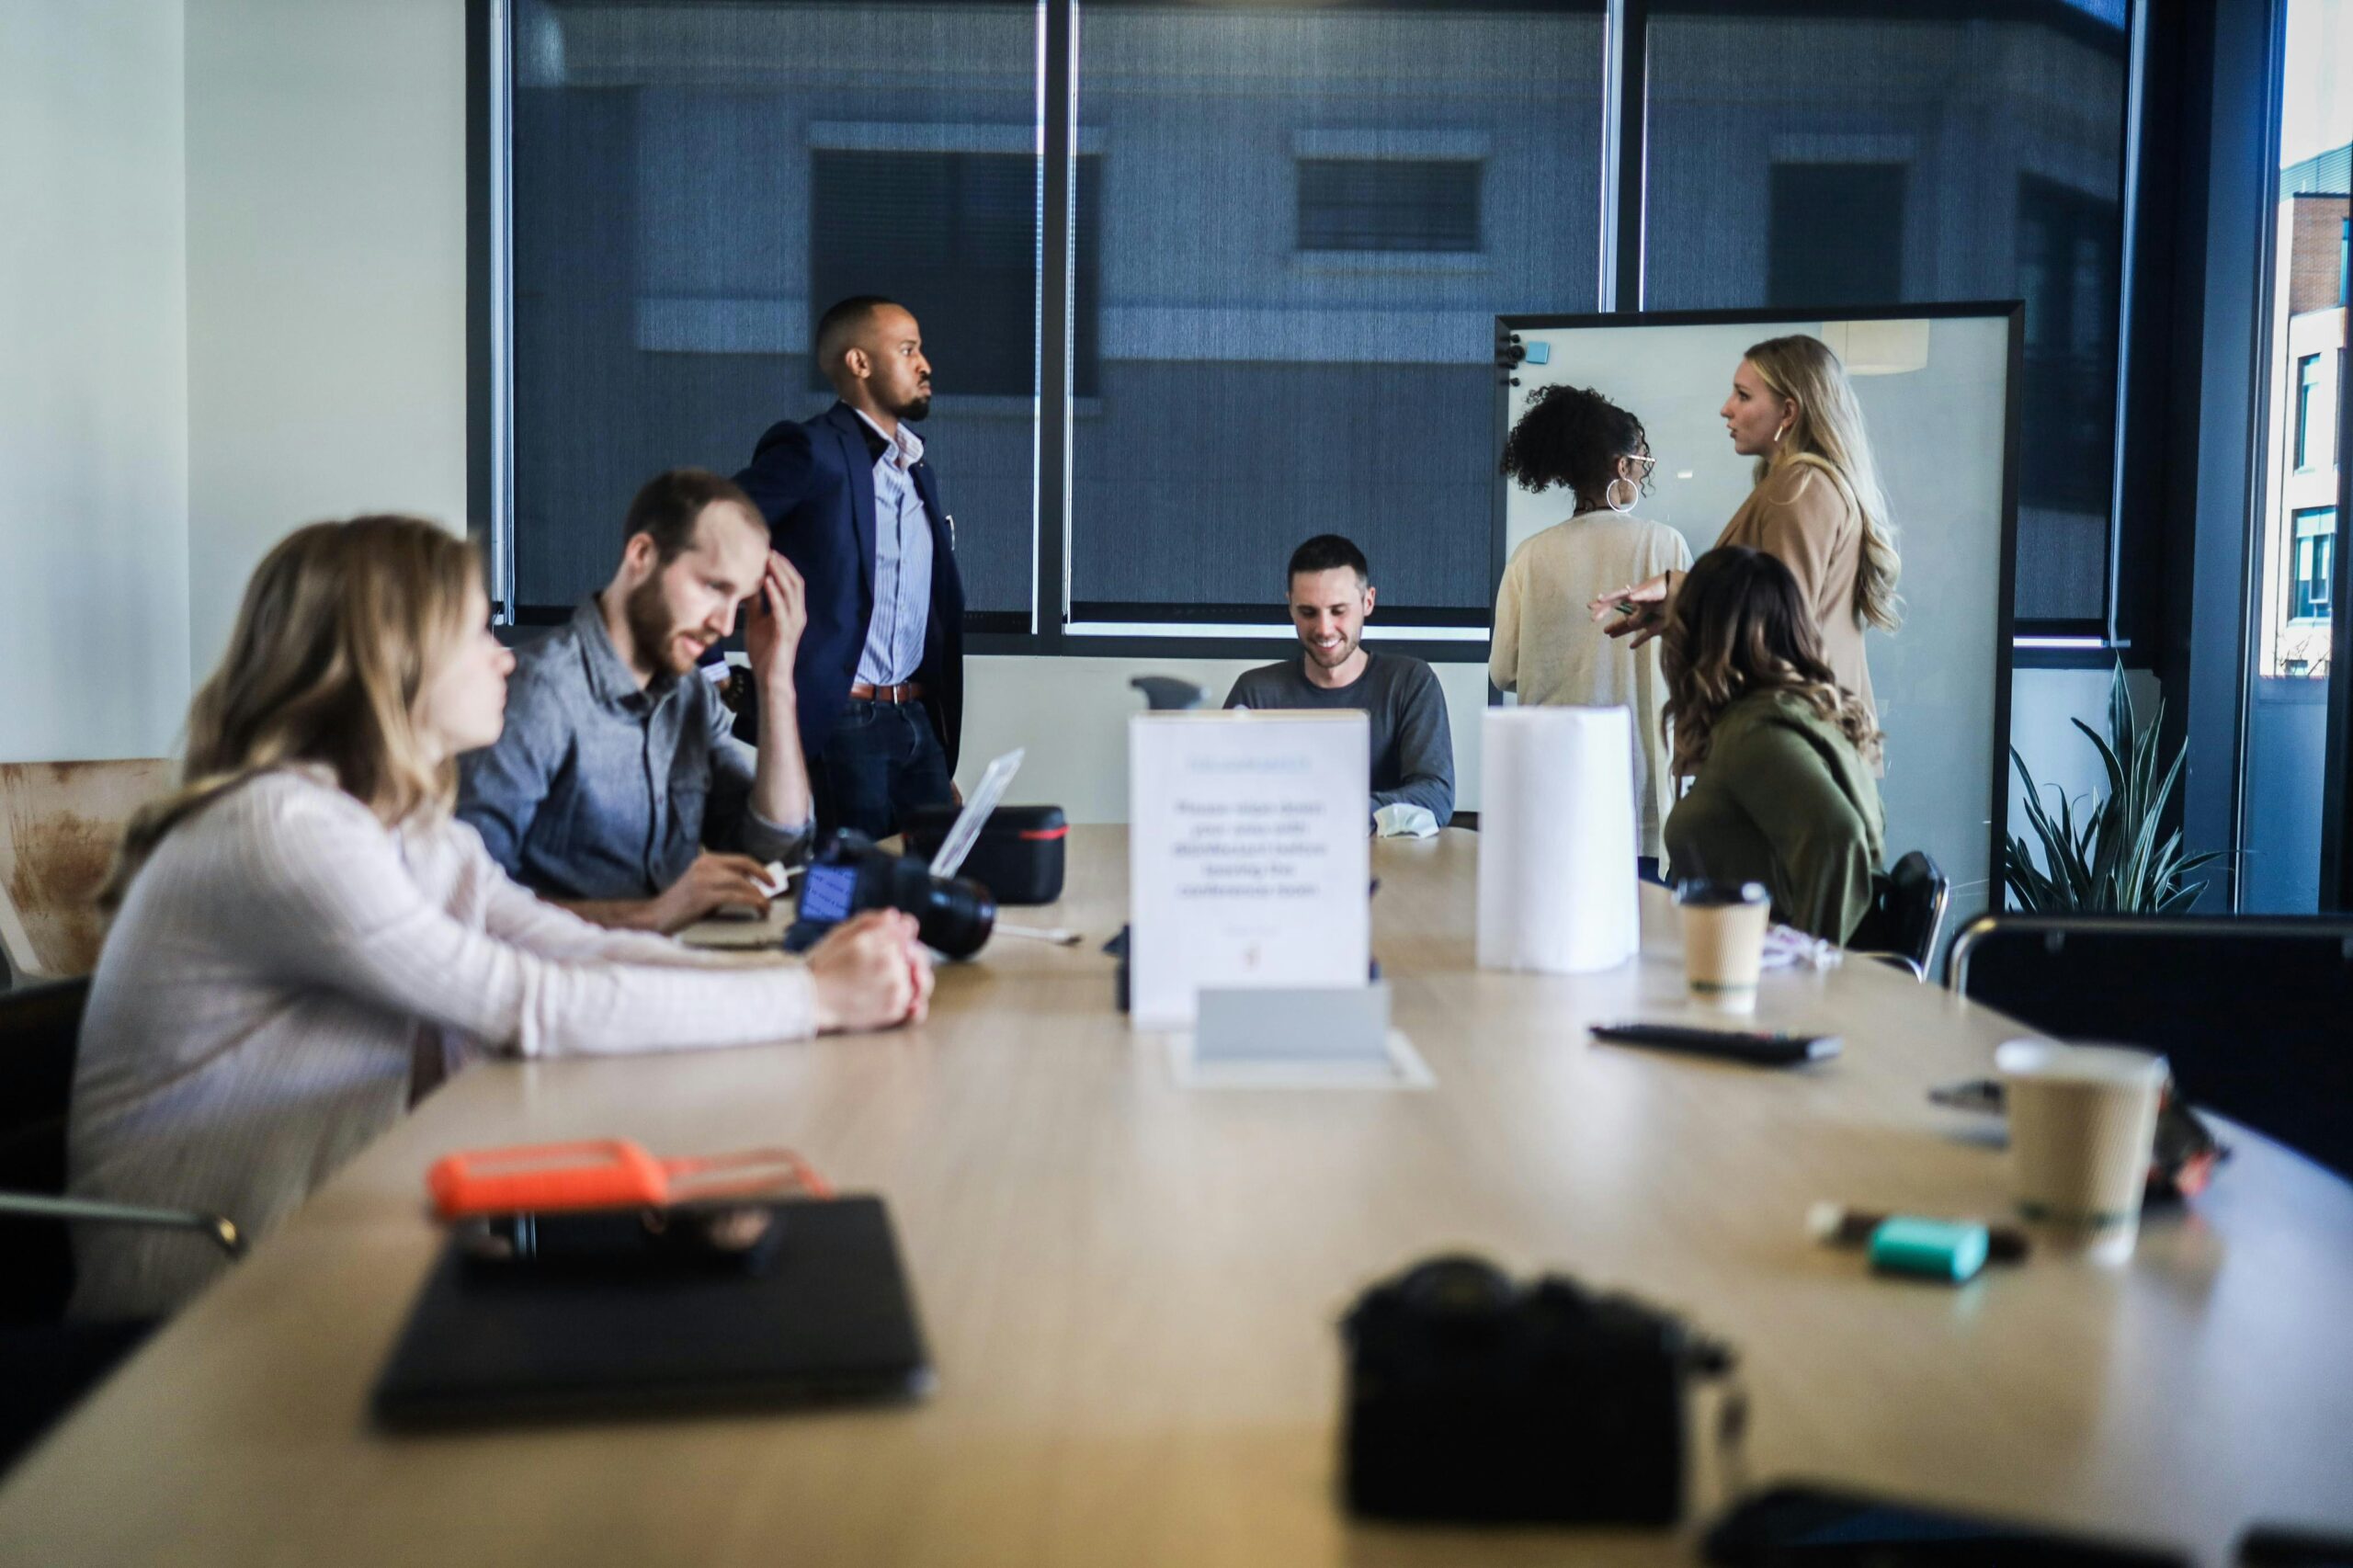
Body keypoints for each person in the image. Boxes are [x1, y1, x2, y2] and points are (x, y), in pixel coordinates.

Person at [68, 516, 933, 1321]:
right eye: (478, 633)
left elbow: (574, 949)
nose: (505, 659)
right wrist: (812, 1002)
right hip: (205, 1308)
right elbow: (531, 1004)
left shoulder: (397, 829)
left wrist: (799, 984)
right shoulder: (285, 832)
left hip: (332, 1243)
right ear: (393, 657)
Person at [458, 469, 815, 934]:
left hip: (664, 971)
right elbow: (466, 903)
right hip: (566, 987)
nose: (726, 627)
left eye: (740, 604)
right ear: (642, 555)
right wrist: (649, 916)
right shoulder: (537, 693)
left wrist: (776, 681)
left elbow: (775, 847)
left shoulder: (690, 696)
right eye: (713, 588)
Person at [1590, 334, 1901, 757]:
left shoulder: (1800, 488)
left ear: (1788, 411)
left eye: (1743, 395)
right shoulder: (1799, 486)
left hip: (1792, 749)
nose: (1726, 408)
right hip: (1802, 745)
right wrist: (1678, 604)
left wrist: (1684, 590)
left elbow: (1781, 624)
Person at [735, 296, 964, 840]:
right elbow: (704, 530)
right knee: (844, 887)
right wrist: (716, 672)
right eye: (908, 350)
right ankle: (812, 931)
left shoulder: (915, 471)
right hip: (843, 721)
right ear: (859, 364)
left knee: (933, 879)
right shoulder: (811, 451)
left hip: (915, 717)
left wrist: (927, 730)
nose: (925, 364)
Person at [1492, 384, 1693, 860]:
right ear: (1622, 466)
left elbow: (1502, 673)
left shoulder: (1530, 556)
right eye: (1641, 462)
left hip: (1553, 784)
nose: (1642, 475)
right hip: (1639, 785)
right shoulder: (1664, 547)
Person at [1658, 546, 1884, 944]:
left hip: (1755, 979)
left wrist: (1807, 963)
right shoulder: (1791, 714)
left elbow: (1838, 836)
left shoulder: (1755, 733)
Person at [1222, 534, 1455, 829]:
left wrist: (1331, 811)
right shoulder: (1254, 692)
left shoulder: (1411, 682)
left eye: (1338, 610)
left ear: (1368, 601)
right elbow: (1220, 795)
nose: (1324, 628)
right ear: (1290, 607)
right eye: (1308, 612)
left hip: (1393, 867)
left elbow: (1436, 797)